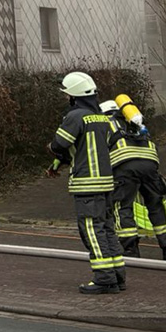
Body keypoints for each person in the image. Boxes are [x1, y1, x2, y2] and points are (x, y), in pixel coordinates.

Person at [48, 71, 125, 295]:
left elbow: (59, 144)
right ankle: (118, 277)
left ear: (74, 95)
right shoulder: (103, 118)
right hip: (106, 183)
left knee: (92, 230)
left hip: (86, 184)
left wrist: (53, 152)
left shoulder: (75, 117)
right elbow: (106, 144)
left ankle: (104, 278)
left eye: (67, 95)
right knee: (107, 229)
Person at [104, 96, 166, 262]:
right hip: (149, 164)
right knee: (156, 205)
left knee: (122, 206)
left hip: (125, 165)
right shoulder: (133, 121)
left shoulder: (105, 124)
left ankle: (130, 249)